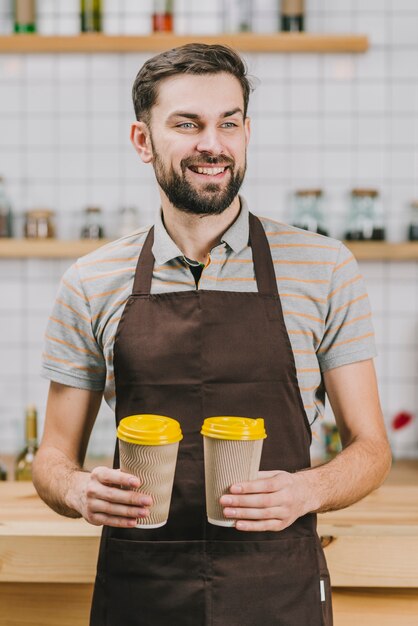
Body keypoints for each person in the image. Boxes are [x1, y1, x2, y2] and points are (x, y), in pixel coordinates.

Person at [33, 43, 391, 626]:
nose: (212, 144)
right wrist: (76, 492)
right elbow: (52, 456)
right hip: (141, 589)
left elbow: (372, 449)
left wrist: (306, 491)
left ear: (247, 132)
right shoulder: (91, 279)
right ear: (142, 141)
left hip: (276, 585)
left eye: (229, 123)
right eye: (187, 124)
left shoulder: (324, 267)